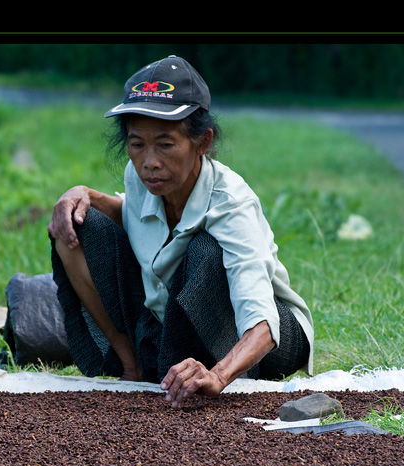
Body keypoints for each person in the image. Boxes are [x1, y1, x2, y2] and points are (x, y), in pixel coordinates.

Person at [48, 55, 314, 409]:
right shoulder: (143, 177)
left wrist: (218, 376)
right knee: (79, 221)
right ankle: (132, 363)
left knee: (204, 249)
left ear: (202, 142)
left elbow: (260, 316)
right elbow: (134, 219)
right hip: (170, 321)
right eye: (137, 143)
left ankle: (202, 370)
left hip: (268, 338)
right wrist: (84, 195)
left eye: (166, 144)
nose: (149, 161)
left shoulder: (231, 203)